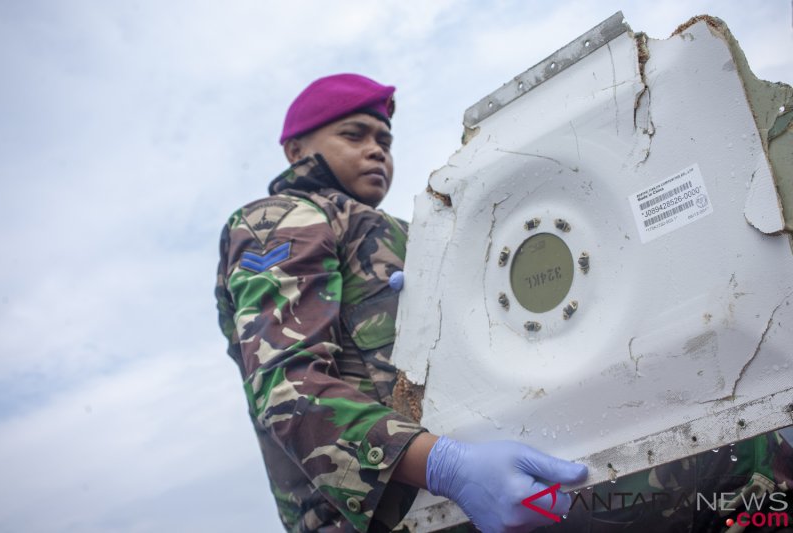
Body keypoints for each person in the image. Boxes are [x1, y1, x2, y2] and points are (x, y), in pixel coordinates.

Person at [215, 73, 588, 533]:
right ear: (295, 150)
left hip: (464, 504)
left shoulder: (405, 229)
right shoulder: (280, 220)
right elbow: (289, 388)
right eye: (353, 134)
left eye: (385, 141)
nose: (377, 150)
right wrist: (446, 466)